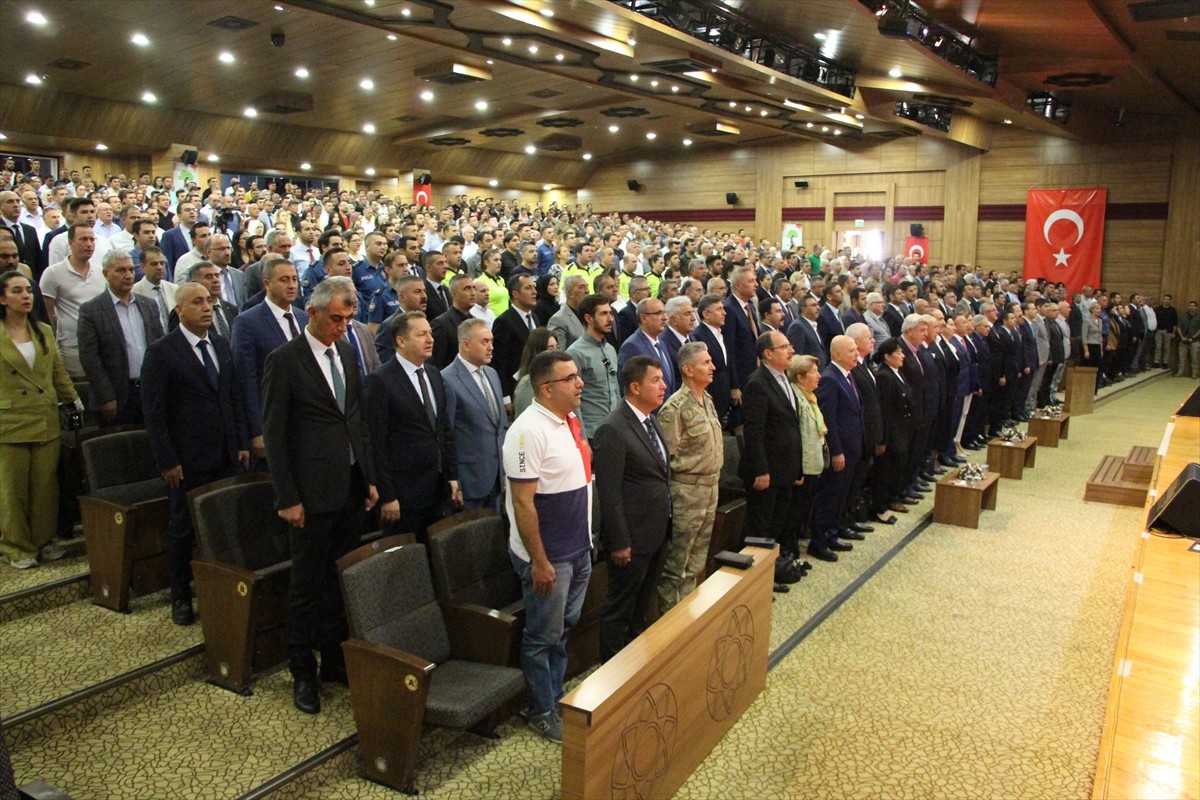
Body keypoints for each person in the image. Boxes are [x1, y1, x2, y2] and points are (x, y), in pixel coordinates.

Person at [262, 278, 378, 715]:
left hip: (349, 487)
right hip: (309, 495)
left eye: (348, 320)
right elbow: (275, 435)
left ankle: (333, 660)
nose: (343, 328)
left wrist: (368, 477)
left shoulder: (345, 352)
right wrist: (286, 497)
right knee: (307, 587)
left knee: (339, 581)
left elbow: (356, 420)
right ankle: (302, 672)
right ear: (312, 313)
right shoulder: (285, 359)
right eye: (335, 319)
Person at [142, 282, 249, 624]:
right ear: (180, 310)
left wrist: (241, 442)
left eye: (209, 302)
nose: (207, 307)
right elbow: (155, 414)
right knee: (182, 529)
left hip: (225, 453)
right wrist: (167, 460)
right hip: (187, 459)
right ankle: (180, 595)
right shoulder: (162, 352)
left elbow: (232, 397)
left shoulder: (220, 343)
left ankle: (219, 589)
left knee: (223, 525)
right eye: (198, 302)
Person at [504, 350, 594, 745]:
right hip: (550, 558)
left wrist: (587, 541)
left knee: (563, 629)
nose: (580, 383)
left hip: (577, 548)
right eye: (570, 378)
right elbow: (523, 504)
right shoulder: (526, 432)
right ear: (546, 389)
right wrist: (539, 561)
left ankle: (555, 694)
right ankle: (541, 710)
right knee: (542, 636)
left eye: (578, 375)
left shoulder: (570, 419)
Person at [0, 270, 80, 569]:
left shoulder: (43, 330)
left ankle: (43, 541)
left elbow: (58, 371)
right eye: (17, 291)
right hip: (10, 420)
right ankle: (16, 546)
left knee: (45, 486)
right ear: (2, 298)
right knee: (13, 489)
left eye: (28, 291)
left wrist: (74, 400)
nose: (26, 296)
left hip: (45, 416)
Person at [595, 356, 671, 662]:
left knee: (641, 608)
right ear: (635, 387)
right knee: (620, 609)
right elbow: (609, 492)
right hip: (631, 537)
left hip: (657, 531)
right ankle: (613, 673)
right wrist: (619, 541)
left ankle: (637, 668)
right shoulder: (613, 428)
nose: (664, 385)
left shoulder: (651, 419)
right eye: (656, 380)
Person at [365, 310, 460, 541]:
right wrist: (388, 495)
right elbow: (376, 443)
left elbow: (443, 431)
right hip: (403, 494)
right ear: (401, 340)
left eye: (430, 333)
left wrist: (452, 476)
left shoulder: (434, 374)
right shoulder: (380, 380)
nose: (430, 339)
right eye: (421, 334)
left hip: (437, 488)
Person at [655, 342, 722, 613]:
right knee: (677, 564)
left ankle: (690, 616)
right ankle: (671, 623)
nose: (712, 366)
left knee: (697, 561)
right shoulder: (675, 408)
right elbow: (663, 459)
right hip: (686, 491)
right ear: (688, 370)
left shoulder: (707, 399)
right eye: (706, 362)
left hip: (710, 487)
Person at [739, 330, 804, 590]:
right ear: (768, 353)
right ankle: (754, 583)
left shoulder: (784, 378)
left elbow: (791, 427)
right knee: (760, 529)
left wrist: (798, 468)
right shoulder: (757, 383)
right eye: (784, 347)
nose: (791, 350)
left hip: (786, 469)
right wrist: (761, 470)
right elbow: (754, 432)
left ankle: (769, 573)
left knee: (776, 526)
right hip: (767, 472)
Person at [231, 255, 307, 467]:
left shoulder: (303, 317)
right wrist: (256, 430)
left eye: (294, 279)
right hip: (273, 418)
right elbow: (245, 379)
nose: (291, 285)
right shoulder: (247, 322)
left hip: (306, 418)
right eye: (284, 280)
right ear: (267, 283)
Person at [76, 250, 164, 425]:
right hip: (117, 396)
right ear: (106, 274)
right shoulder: (91, 310)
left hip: (150, 390)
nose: (128, 275)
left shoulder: (148, 305)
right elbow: (90, 358)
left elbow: (160, 346)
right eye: (121, 270)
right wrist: (106, 396)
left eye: (131, 270)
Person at [810, 335, 866, 562]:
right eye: (851, 350)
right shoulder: (830, 379)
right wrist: (836, 451)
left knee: (841, 494)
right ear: (837, 354)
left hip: (853, 447)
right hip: (840, 449)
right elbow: (829, 420)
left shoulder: (848, 376)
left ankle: (832, 533)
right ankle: (819, 541)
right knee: (830, 496)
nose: (856, 354)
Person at [442, 318, 507, 512]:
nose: (491, 347)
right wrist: (454, 479)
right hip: (469, 481)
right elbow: (446, 435)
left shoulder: (492, 374)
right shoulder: (447, 380)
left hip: (497, 477)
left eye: (491, 341)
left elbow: (500, 425)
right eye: (484, 342)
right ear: (466, 345)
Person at [786, 354, 827, 557]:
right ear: (800, 377)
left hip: (813, 464)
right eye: (813, 372)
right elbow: (796, 437)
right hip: (802, 466)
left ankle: (795, 553)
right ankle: (790, 554)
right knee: (794, 514)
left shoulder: (810, 397)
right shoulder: (796, 399)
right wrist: (797, 470)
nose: (819, 376)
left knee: (802, 512)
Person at [566, 294, 621, 440]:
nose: (610, 319)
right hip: (592, 433)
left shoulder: (610, 349)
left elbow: (615, 389)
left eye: (610, 313)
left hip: (614, 428)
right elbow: (572, 401)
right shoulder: (575, 353)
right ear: (588, 318)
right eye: (603, 314)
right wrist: (582, 439)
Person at [513, 327, 558, 418]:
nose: (556, 352)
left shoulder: (556, 377)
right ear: (538, 351)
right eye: (550, 348)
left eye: (557, 347)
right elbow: (525, 418)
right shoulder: (527, 384)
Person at [547, 273, 587, 350]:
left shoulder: (589, 315)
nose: (587, 291)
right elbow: (559, 354)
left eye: (587, 286)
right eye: (582, 287)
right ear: (571, 293)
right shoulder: (558, 320)